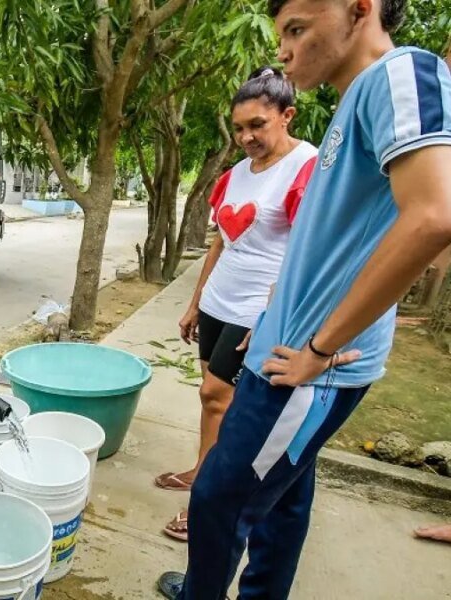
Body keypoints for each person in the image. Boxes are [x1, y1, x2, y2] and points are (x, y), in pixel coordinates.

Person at [159, 0, 451, 597]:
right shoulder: (356, 102)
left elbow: (435, 219)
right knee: (285, 500)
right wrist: (269, 319)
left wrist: (321, 346)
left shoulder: (403, 74)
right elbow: (324, 250)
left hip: (305, 370)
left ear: (358, 10)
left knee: (217, 497)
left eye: (296, 29)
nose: (284, 51)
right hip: (283, 345)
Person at [155, 68, 318, 543]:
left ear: (286, 116)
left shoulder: (305, 165)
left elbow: (306, 250)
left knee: (217, 396)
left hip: (257, 308)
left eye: (258, 125)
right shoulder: (232, 177)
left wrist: (274, 319)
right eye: (240, 127)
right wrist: (195, 302)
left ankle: (206, 503)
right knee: (212, 399)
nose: (247, 136)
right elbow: (219, 243)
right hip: (219, 300)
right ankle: (202, 472)